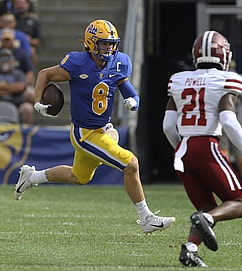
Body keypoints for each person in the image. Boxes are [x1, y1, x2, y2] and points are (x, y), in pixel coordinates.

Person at [13, 19, 176, 234]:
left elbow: (129, 90)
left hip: (102, 128)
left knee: (79, 177)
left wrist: (133, 102)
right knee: (131, 164)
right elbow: (45, 74)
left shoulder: (119, 62)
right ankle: (146, 218)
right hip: (85, 134)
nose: (109, 48)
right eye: (103, 43)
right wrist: (37, 101)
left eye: (111, 43)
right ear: (91, 43)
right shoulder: (77, 62)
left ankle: (32, 177)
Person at [162, 30, 242, 267]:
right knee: (239, 203)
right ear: (224, 55)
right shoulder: (228, 79)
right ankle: (206, 219)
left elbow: (168, 125)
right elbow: (228, 120)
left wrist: (181, 149)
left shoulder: (178, 79)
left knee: (206, 205)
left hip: (183, 149)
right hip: (206, 144)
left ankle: (189, 250)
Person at [219, 60, 242, 183]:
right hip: (237, 120)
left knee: (223, 151)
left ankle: (225, 180)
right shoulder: (241, 79)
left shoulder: (219, 78)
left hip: (222, 120)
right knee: (240, 152)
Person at [0, 48, 33, 124]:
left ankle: (25, 133)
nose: (5, 61)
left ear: (12, 60)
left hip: (16, 103)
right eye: (2, 58)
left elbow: (20, 87)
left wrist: (1, 86)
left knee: (28, 108)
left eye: (8, 58)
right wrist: (11, 89)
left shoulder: (19, 73)